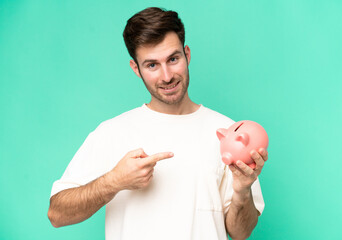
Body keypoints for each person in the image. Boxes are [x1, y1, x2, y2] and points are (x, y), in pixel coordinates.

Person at [48, 7, 268, 240]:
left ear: (187, 55)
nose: (166, 76)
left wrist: (243, 191)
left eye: (173, 59)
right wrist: (113, 182)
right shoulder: (112, 132)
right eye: (152, 65)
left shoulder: (227, 133)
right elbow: (57, 214)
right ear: (136, 68)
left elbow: (240, 233)